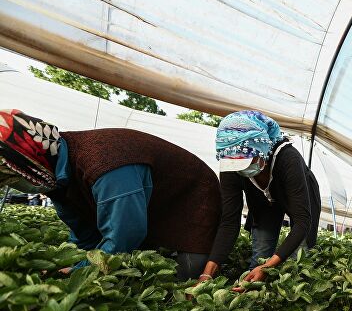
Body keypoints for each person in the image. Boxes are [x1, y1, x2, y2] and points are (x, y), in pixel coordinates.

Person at [0, 109, 236, 281]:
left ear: (31, 160)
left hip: (192, 201)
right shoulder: (55, 178)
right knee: (129, 266)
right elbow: (83, 235)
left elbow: (125, 233)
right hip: (150, 206)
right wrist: (67, 263)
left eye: (14, 176)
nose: (17, 185)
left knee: (179, 279)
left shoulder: (105, 162)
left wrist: (82, 271)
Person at [216, 110, 321, 290]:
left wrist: (267, 267)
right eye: (234, 163)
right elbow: (228, 221)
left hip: (298, 198)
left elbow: (302, 222)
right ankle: (254, 293)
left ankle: (287, 296)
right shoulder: (231, 164)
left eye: (246, 162)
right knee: (260, 255)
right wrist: (207, 271)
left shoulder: (288, 158)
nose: (240, 168)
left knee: (297, 261)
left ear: (262, 150)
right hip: (263, 204)